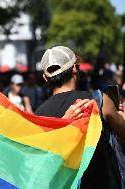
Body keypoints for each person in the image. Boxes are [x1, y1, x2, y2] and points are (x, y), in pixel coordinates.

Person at [35, 46, 125, 188]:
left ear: (45, 78)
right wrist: (119, 115)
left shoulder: (38, 115)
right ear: (75, 69)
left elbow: (40, 163)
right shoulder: (100, 101)